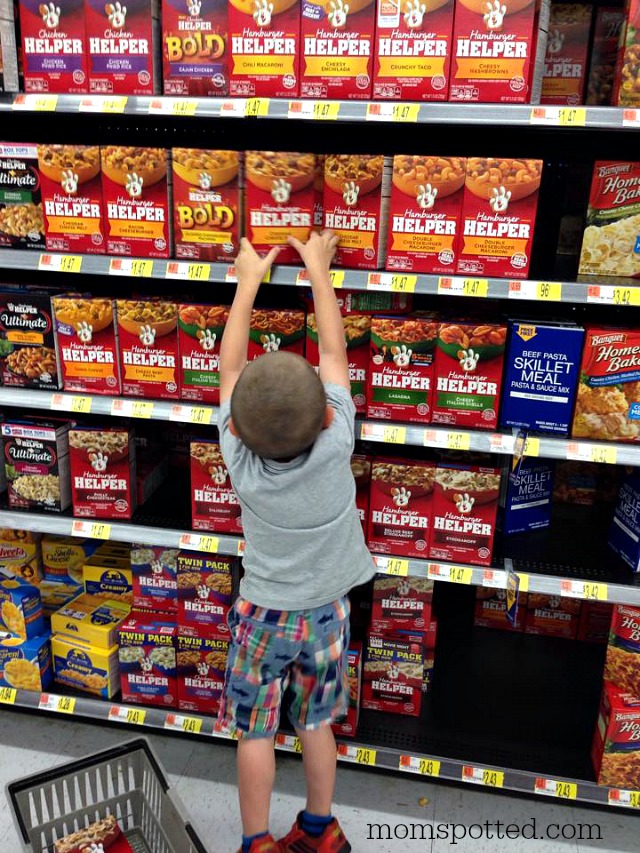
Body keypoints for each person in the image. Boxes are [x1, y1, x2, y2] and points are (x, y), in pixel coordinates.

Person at [218, 230, 375, 853]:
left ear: (238, 428)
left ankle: (257, 842)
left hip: (262, 616)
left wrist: (248, 280)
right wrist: (318, 270)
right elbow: (335, 355)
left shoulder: (241, 460)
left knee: (254, 732)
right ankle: (321, 827)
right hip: (328, 613)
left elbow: (229, 367)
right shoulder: (338, 443)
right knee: (316, 722)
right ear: (329, 415)